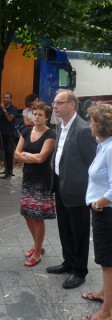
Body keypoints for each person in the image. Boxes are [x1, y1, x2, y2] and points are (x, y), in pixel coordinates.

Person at [46, 89, 97, 289]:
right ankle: (68, 262)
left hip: (78, 190)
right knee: (64, 228)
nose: (54, 106)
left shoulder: (83, 130)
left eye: (59, 103)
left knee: (80, 232)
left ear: (72, 105)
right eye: (54, 102)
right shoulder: (60, 126)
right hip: (60, 185)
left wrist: (92, 193)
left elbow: (93, 163)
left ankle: (79, 270)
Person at [14, 102, 56, 267]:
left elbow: (41, 158)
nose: (37, 117)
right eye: (35, 114)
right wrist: (29, 156)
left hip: (42, 180)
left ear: (46, 117)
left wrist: (25, 155)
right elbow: (16, 155)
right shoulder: (26, 131)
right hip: (28, 177)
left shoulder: (50, 134)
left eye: (40, 114)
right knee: (27, 213)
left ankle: (37, 253)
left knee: (37, 217)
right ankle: (37, 244)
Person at [81, 104, 112, 320]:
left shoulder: (110, 148)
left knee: (107, 262)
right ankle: (105, 294)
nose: (89, 124)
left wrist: (98, 204)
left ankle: (107, 311)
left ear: (99, 125)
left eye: (92, 121)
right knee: (105, 261)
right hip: (102, 211)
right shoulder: (103, 144)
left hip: (107, 212)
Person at [0, 92, 18, 176]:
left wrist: (4, 109)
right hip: (2, 132)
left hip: (10, 133)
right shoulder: (0, 108)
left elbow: (9, 119)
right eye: (4, 97)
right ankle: (6, 169)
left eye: (7, 98)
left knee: (9, 151)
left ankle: (10, 170)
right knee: (4, 152)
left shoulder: (14, 108)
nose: (5, 99)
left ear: (10, 99)